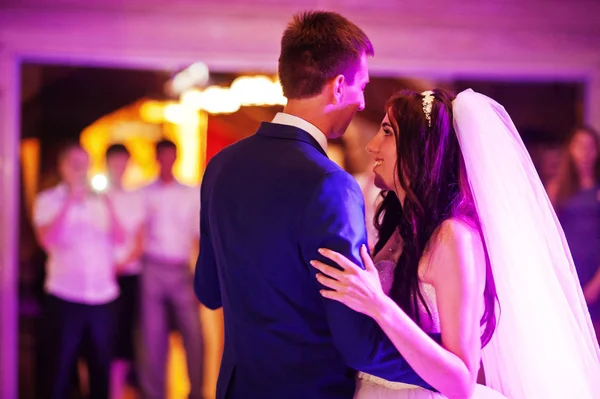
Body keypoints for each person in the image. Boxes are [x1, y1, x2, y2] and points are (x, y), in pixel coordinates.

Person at [195, 11, 436, 399]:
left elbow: (208, 290)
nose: (361, 103)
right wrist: (441, 368)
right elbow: (355, 343)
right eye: (362, 87)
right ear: (339, 87)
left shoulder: (221, 166)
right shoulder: (331, 185)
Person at [311, 89, 600, 398]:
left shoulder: (453, 237)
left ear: (420, 148)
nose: (371, 146)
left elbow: (461, 380)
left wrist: (379, 306)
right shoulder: (401, 225)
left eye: (387, 133)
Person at [33, 143, 123, 399]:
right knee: (58, 369)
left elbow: (120, 237)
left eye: (85, 164)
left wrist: (108, 203)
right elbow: (47, 240)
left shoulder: (103, 200)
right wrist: (70, 201)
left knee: (100, 369)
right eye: (75, 165)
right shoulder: (48, 200)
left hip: (102, 297)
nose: (82, 170)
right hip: (64, 296)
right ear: (62, 168)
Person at [138, 139, 203, 399]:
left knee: (194, 335)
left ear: (175, 158)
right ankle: (154, 394)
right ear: (156, 158)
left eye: (171, 156)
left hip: (180, 268)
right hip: (151, 267)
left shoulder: (190, 192)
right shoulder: (144, 193)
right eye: (162, 156)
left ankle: (196, 392)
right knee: (152, 338)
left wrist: (200, 275)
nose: (167, 161)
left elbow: (199, 237)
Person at [548, 126, 600, 340]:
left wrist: (597, 284)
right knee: (567, 337)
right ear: (570, 149)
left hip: (594, 273)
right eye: (579, 146)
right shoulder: (556, 188)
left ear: (596, 151)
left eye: (590, 147)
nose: (585, 153)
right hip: (567, 272)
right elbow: (547, 236)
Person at [104, 144, 146, 399]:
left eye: (123, 162)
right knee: (101, 331)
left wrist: (119, 266)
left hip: (128, 274)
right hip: (99, 276)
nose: (119, 167)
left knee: (124, 331)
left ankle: (118, 389)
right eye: (114, 161)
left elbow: (138, 240)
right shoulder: (95, 194)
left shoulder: (135, 198)